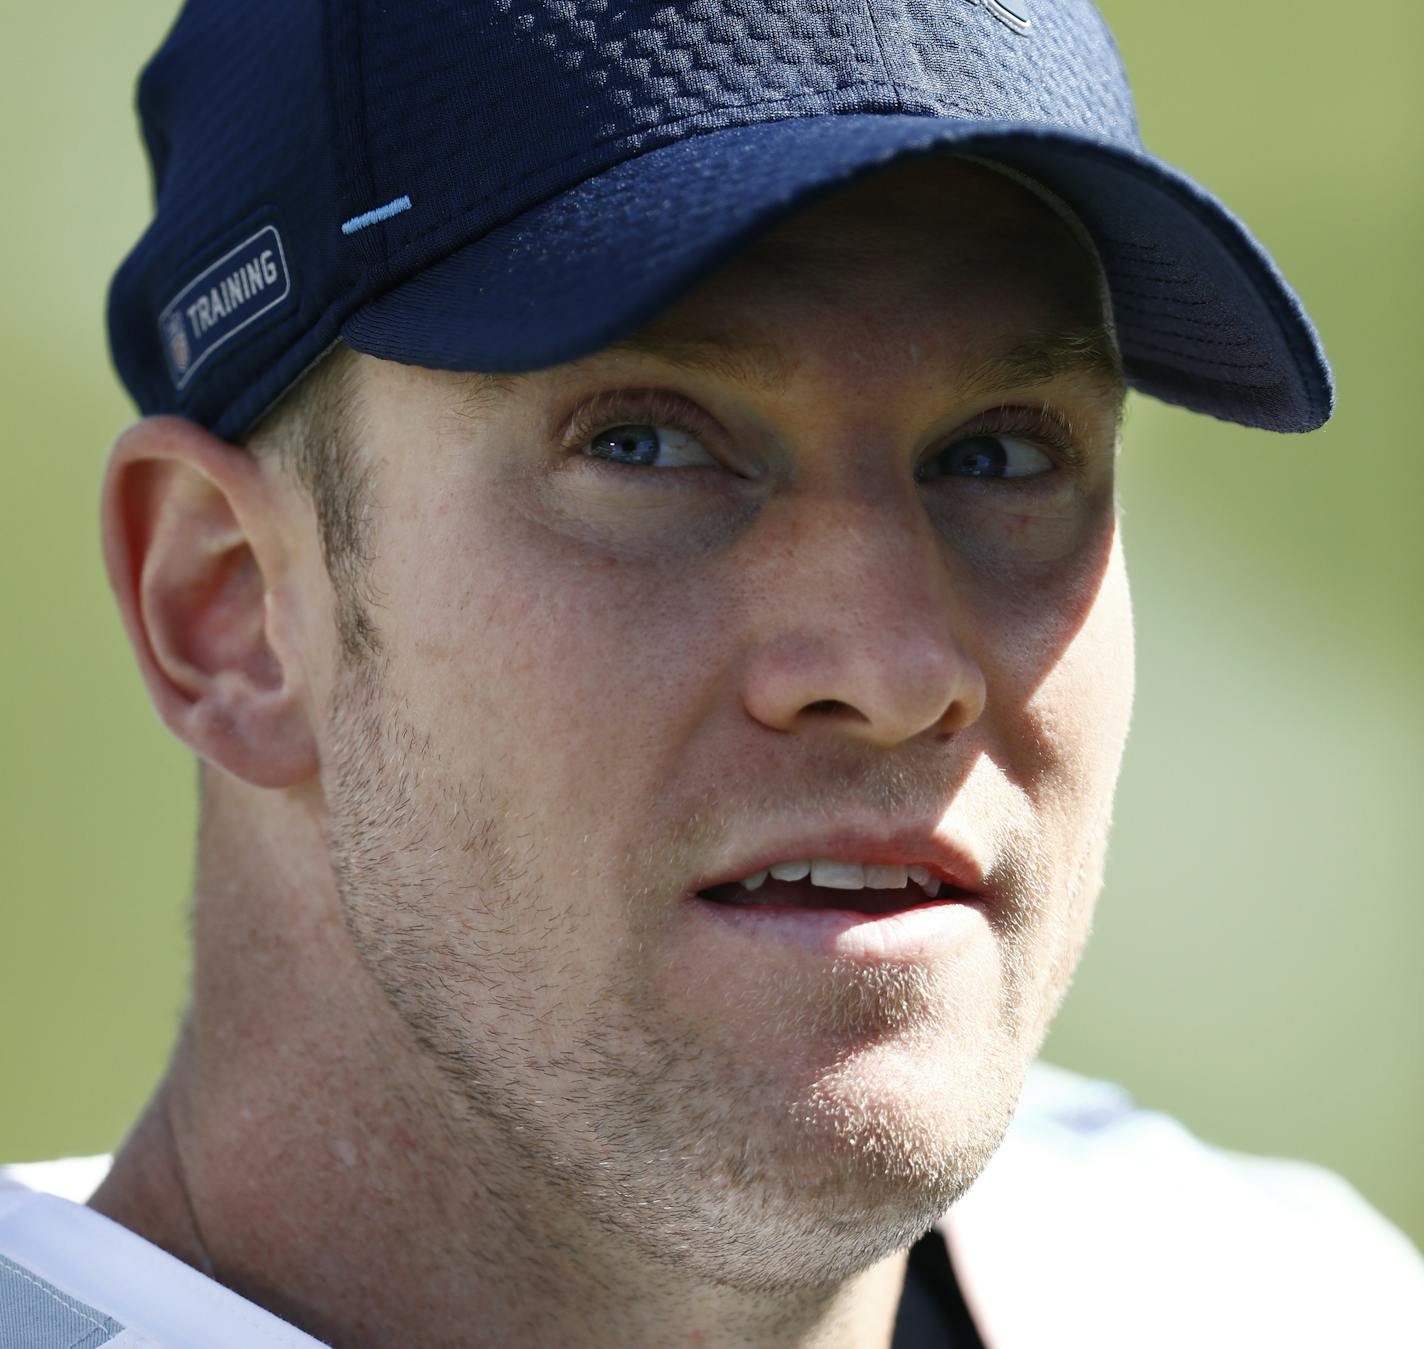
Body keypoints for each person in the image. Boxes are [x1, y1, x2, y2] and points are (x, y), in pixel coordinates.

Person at [1, 0, 1420, 1345]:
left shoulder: (1291, 1291)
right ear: (229, 606)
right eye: (646, 443)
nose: (894, 667)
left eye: (1000, 452)